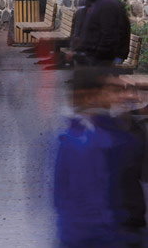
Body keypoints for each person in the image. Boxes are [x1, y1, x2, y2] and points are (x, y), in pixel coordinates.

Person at [53, 67, 146, 247]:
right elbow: (83, 207)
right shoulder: (82, 142)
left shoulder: (112, 132)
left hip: (125, 228)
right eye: (113, 90)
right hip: (109, 235)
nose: (124, 95)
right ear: (91, 97)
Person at [72, 0, 130, 67]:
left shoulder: (107, 5)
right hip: (91, 57)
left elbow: (109, 35)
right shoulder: (92, 2)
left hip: (101, 59)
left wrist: (96, 59)